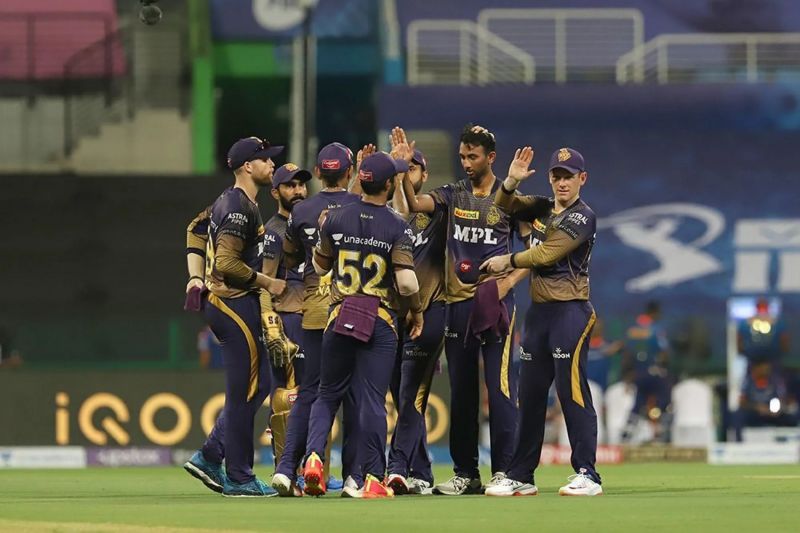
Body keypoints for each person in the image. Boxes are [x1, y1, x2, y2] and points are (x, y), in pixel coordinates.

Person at [400, 125, 530, 495]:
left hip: (496, 304)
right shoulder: (453, 194)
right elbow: (412, 205)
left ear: (491, 157)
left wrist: (506, 284)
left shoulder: (509, 198)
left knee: (500, 387)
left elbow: (535, 250)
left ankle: (506, 471)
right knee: (461, 391)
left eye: (473, 157)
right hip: (457, 305)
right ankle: (466, 473)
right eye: (462, 157)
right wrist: (400, 169)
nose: (466, 163)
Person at [301, 151, 424, 499]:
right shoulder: (397, 225)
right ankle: (372, 477)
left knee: (327, 394)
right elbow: (408, 285)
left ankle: (313, 459)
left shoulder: (335, 219)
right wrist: (416, 311)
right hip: (379, 319)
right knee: (372, 399)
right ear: (388, 184)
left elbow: (322, 266)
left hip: (340, 314)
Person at [481, 146, 603, 497]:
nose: (562, 183)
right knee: (530, 395)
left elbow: (547, 253)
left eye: (569, 176)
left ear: (583, 179)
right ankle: (521, 474)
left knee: (570, 391)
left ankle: (587, 473)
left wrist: (508, 261)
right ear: (550, 178)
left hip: (571, 312)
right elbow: (500, 209)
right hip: (539, 315)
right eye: (557, 176)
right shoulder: (541, 207)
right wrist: (510, 182)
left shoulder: (583, 217)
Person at [182, 137, 287, 497]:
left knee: (256, 387)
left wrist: (195, 276)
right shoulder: (238, 207)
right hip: (232, 302)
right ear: (247, 166)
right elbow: (226, 263)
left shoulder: (231, 202)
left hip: (228, 303)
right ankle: (239, 476)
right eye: (265, 160)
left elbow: (194, 229)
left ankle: (211, 455)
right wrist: (267, 281)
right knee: (244, 392)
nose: (271, 165)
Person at [271, 143, 361, 496]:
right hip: (353, 311)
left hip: (313, 310)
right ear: (350, 172)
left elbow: (290, 258)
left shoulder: (301, 211)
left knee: (308, 394)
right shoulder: (361, 206)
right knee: (354, 395)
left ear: (319, 173)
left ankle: (285, 469)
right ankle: (355, 475)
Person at [385, 145, 447, 495]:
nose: (407, 172)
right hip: (391, 315)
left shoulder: (438, 213)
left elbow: (409, 204)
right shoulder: (381, 216)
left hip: (429, 312)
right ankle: (421, 471)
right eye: (401, 167)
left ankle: (396, 467)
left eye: (413, 167)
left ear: (424, 175)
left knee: (411, 396)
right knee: (400, 394)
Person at [261, 163, 312, 475]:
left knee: (312, 394)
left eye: (301, 185)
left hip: (313, 317)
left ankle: (311, 467)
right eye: (290, 186)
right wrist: (270, 325)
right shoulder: (273, 231)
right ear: (275, 191)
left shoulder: (311, 221)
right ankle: (284, 469)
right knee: (286, 397)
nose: (298, 191)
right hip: (288, 320)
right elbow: (265, 282)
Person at [621, 301, 672, 443]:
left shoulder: (633, 329)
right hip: (653, 372)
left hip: (638, 373)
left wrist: (627, 374)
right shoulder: (656, 329)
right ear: (655, 313)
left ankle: (626, 435)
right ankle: (661, 435)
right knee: (664, 401)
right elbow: (664, 352)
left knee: (638, 403)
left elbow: (627, 353)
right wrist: (662, 366)